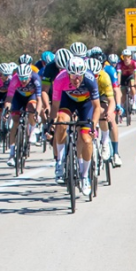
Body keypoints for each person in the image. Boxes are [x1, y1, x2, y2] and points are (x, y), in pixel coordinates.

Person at [51, 55, 102, 197]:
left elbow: (96, 107)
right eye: (73, 76)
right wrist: (52, 123)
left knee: (86, 139)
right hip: (68, 102)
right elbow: (55, 106)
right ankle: (60, 163)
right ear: (68, 73)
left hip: (86, 105)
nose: (77, 79)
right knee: (61, 121)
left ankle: (85, 176)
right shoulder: (60, 79)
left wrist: (94, 126)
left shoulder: (90, 79)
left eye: (79, 76)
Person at [3, 63, 42, 166]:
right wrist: (6, 111)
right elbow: (9, 98)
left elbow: (39, 99)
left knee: (31, 110)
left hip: (31, 97)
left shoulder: (36, 78)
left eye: (25, 78)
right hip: (18, 97)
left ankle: (32, 130)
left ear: (30, 75)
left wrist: (37, 113)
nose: (23, 80)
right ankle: (11, 154)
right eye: (21, 78)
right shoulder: (14, 80)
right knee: (15, 121)